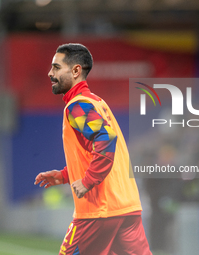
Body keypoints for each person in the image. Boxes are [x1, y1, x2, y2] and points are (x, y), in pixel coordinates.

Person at [34, 43, 152, 255]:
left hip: (99, 211)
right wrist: (64, 175)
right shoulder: (97, 103)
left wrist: (89, 181)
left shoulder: (77, 106)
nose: (50, 73)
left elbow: (106, 140)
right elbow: (99, 151)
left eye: (56, 67)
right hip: (127, 208)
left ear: (76, 70)